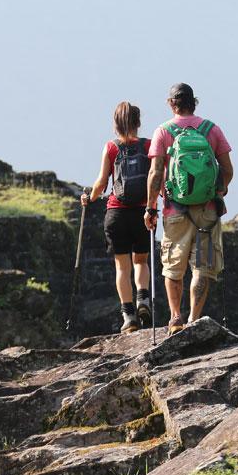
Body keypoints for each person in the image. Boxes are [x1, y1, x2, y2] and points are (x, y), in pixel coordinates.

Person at [144, 83, 233, 334]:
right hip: (207, 210)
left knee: (173, 265)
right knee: (202, 265)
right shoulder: (211, 130)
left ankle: (175, 318)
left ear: (172, 104)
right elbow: (228, 170)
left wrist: (150, 208)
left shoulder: (163, 132)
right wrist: (218, 191)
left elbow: (155, 173)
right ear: (194, 102)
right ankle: (194, 318)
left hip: (175, 208)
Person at [81, 101, 152, 333]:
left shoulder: (111, 148)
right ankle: (144, 300)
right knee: (140, 261)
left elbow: (102, 182)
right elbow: (156, 177)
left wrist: (89, 198)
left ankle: (129, 316)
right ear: (138, 123)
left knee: (122, 267)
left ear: (116, 124)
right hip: (142, 213)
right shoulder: (149, 146)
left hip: (116, 213)